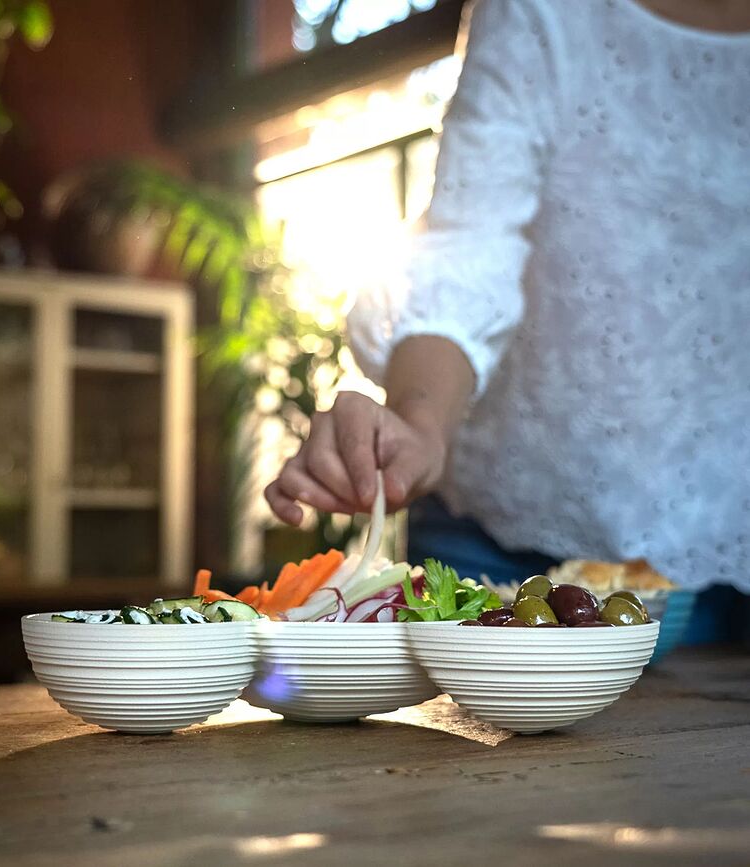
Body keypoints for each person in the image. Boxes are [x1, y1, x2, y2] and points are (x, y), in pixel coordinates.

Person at [265, 0, 750, 642]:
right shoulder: (538, 12)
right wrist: (420, 422)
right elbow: (469, 244)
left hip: (730, 558)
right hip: (494, 540)